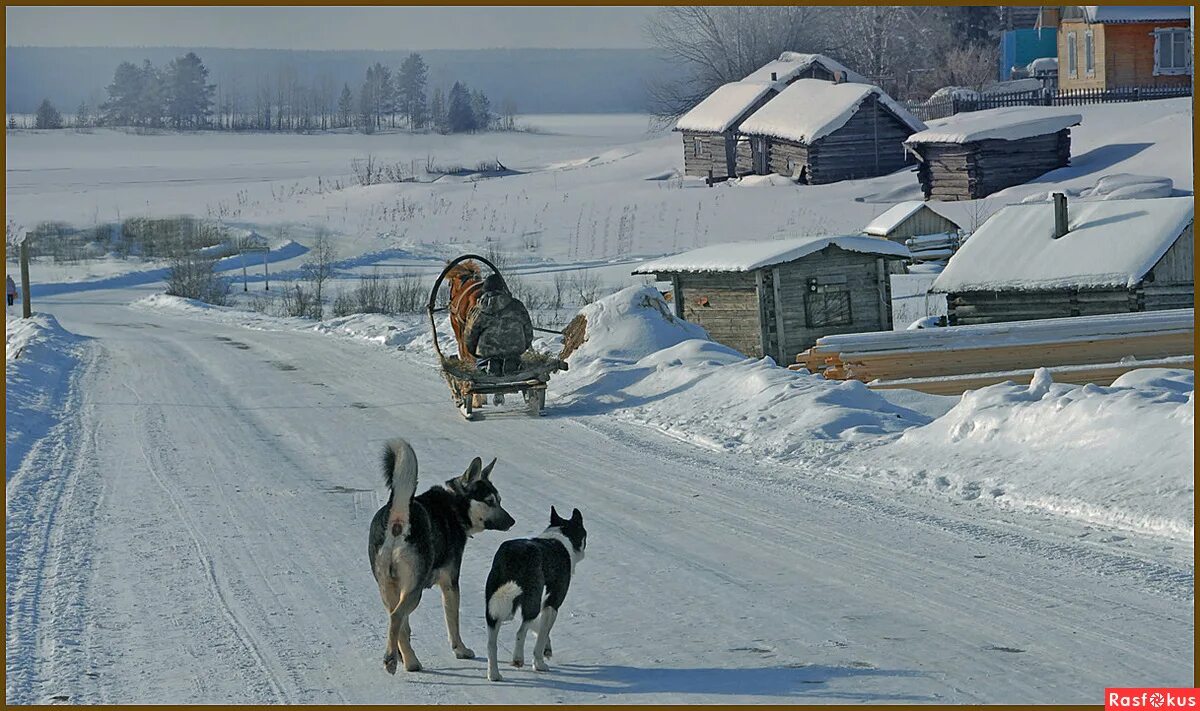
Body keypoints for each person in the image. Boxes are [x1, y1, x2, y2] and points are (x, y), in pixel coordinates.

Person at [464, 273, 534, 377]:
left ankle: (489, 365)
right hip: (515, 352)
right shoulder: (517, 306)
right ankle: (511, 363)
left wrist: (474, 352)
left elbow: (469, 337)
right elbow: (528, 331)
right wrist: (523, 347)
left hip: (486, 354)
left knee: (482, 363)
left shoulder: (478, 311)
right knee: (513, 358)